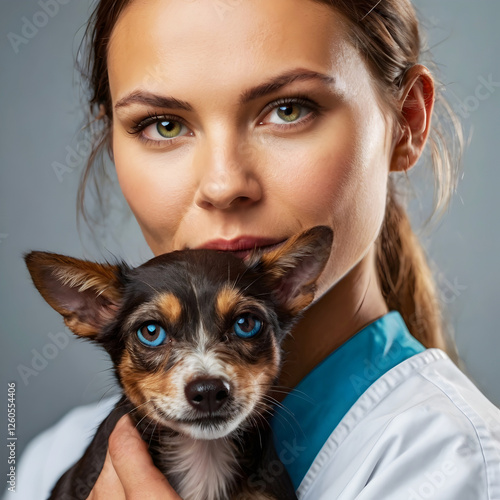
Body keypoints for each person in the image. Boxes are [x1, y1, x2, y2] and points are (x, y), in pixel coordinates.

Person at [8, 0, 500, 499]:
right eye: (163, 124)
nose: (223, 185)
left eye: (287, 110)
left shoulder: (454, 466)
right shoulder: (55, 456)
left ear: (407, 122)